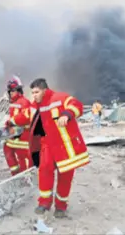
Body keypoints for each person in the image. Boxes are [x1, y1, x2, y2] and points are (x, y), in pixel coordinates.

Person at [29, 78, 89, 218]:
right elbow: (30, 119)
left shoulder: (60, 98)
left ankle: (61, 207)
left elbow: (76, 105)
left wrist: (67, 114)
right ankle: (44, 203)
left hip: (65, 146)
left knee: (65, 177)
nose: (34, 95)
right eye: (32, 93)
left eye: (36, 92)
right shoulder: (36, 105)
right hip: (47, 145)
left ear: (44, 90)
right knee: (44, 171)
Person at [3, 76, 33, 176]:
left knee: (22, 156)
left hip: (23, 136)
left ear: (19, 90)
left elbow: (25, 117)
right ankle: (15, 174)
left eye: (13, 90)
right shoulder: (14, 103)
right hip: (14, 135)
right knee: (7, 149)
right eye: (9, 91)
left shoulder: (24, 102)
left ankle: (26, 177)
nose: (11, 93)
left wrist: (11, 122)